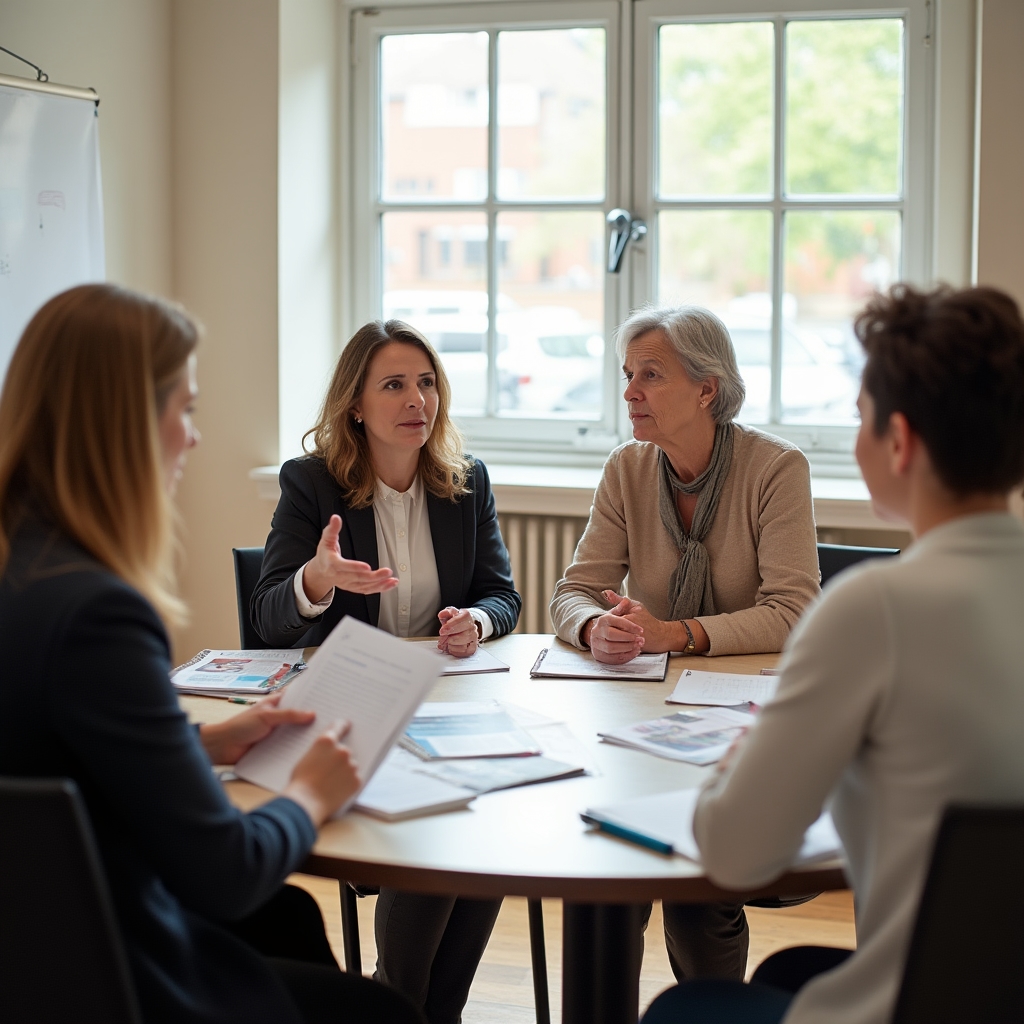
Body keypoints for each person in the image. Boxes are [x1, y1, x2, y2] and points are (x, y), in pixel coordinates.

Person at [0, 285, 425, 1024]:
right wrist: (310, 794)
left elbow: (46, 752)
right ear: (125, 421)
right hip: (110, 972)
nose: (194, 438)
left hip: (31, 944)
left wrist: (204, 739)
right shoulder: (99, 613)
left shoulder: (23, 569)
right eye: (186, 409)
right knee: (380, 1012)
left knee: (287, 921)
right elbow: (225, 872)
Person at [641, 283, 1024, 1024]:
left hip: (911, 1004)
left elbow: (735, 856)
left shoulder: (875, 610)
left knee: (683, 1013)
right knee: (788, 968)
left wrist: (743, 753)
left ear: (900, 441)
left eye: (860, 419)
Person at [252, 319, 521, 1024]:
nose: (417, 401)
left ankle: (430, 1010)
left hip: (446, 700)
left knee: (481, 816)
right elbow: (270, 617)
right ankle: (399, 997)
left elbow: (503, 593)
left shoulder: (466, 481)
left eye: (427, 382)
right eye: (395, 385)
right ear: (357, 406)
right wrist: (317, 576)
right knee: (442, 821)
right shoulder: (312, 484)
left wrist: (477, 621)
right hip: (358, 706)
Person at [549, 305, 820, 986]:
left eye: (650, 374)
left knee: (700, 895)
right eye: (626, 374)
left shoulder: (776, 467)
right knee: (610, 880)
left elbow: (794, 612)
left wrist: (680, 634)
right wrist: (594, 626)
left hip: (742, 723)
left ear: (707, 388)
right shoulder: (627, 468)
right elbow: (574, 588)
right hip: (644, 717)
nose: (630, 391)